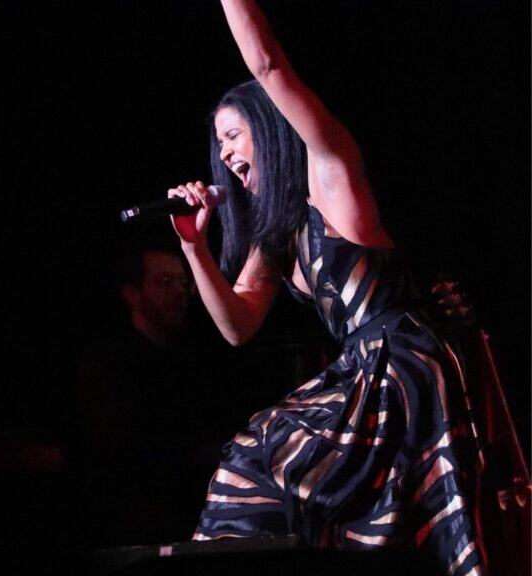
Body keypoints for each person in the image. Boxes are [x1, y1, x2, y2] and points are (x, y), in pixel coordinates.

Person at [165, 1, 483, 574]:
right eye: (219, 146)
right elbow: (237, 327)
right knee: (251, 462)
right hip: (363, 375)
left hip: (401, 367)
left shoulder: (330, 174)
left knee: (280, 462)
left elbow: (267, 65)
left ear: (268, 127)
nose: (225, 154)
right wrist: (192, 245)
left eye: (233, 135)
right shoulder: (276, 238)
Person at [73, 239, 239, 545]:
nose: (179, 292)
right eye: (165, 282)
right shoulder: (109, 364)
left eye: (183, 282)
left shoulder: (193, 359)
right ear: (132, 294)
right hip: (136, 518)